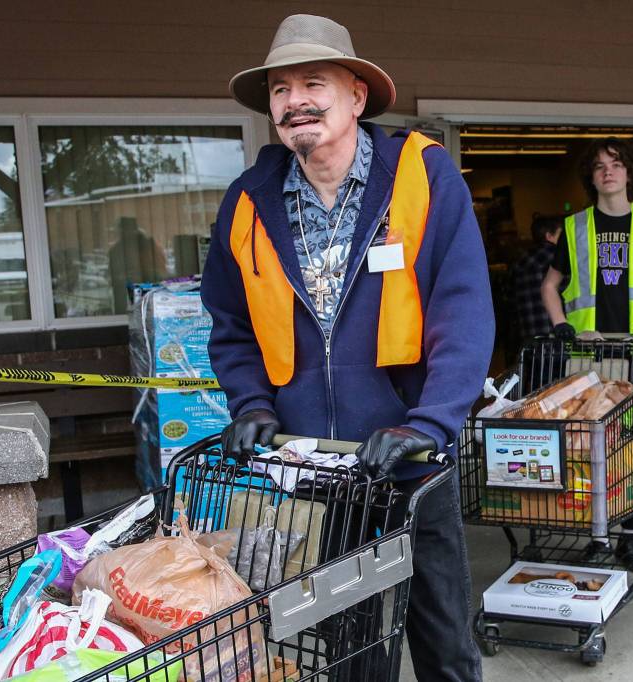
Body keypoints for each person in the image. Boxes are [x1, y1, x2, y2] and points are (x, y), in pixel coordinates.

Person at [200, 14, 493, 681]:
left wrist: (426, 424)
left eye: (313, 82)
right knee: (350, 651)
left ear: (357, 96)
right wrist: (251, 404)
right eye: (280, 89)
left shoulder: (423, 179)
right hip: (315, 475)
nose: (295, 100)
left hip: (413, 466)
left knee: (443, 643)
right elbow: (231, 322)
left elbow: (463, 314)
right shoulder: (248, 202)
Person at [540, 137, 633, 566]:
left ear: (629, 173)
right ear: (591, 177)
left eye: (615, 164)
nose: (607, 172)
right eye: (599, 166)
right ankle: (597, 534)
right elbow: (550, 285)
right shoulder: (576, 227)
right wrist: (561, 324)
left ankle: (631, 533)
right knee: (585, 443)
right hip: (588, 355)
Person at [510, 214, 563, 344]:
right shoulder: (559, 258)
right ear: (549, 236)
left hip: (529, 336)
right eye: (561, 235)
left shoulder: (520, 262)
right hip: (556, 332)